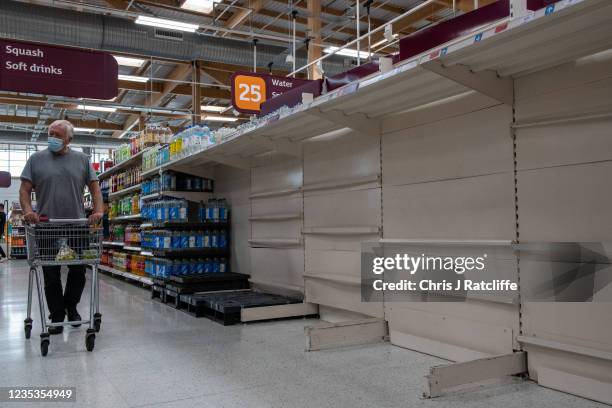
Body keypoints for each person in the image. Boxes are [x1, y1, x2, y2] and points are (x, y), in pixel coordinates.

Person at [20, 120, 104, 335]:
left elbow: (95, 190)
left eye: (57, 135)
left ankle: (71, 307)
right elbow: (24, 189)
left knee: (78, 270)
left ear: (69, 139)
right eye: (50, 133)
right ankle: (57, 314)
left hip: (76, 224)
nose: (52, 138)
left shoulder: (82, 160)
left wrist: (98, 211)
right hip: (47, 225)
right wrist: (28, 210)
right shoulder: (36, 159)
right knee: (51, 273)